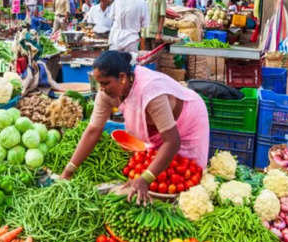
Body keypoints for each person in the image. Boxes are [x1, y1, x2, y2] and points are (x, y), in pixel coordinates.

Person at [61, 51, 209, 204]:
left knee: (187, 177)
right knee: (163, 173)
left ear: (123, 78)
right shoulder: (106, 93)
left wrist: (145, 178)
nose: (101, 88)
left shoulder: (150, 90)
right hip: (159, 130)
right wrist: (68, 170)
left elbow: (172, 142)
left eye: (105, 83)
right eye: (99, 83)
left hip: (188, 120)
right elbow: (93, 131)